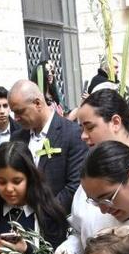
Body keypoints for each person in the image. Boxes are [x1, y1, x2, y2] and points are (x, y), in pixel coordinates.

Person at [10, 79, 89, 210]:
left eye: (19, 111)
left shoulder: (72, 134)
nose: (16, 118)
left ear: (37, 103)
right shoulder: (17, 138)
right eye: (13, 112)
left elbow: (75, 185)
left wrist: (43, 214)